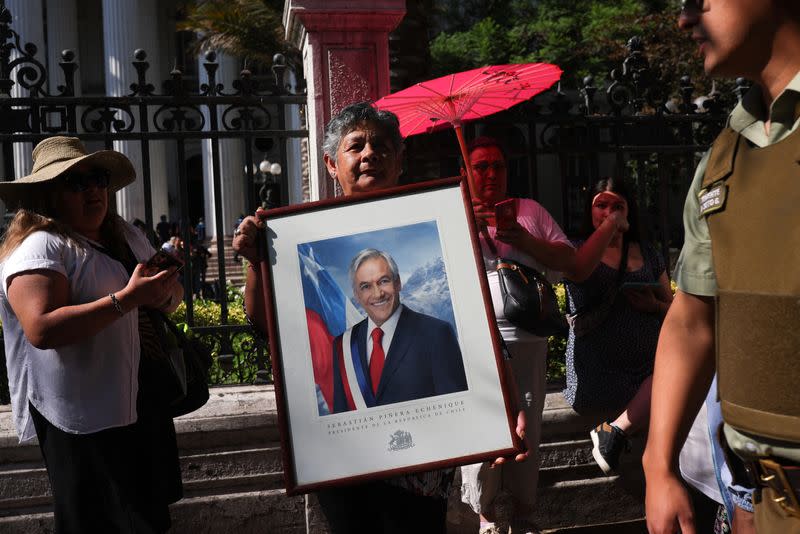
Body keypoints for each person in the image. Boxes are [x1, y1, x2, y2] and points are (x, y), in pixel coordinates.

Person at [234, 103, 526, 534]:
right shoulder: (295, 241)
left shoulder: (445, 228)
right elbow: (267, 324)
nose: (370, 153)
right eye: (357, 146)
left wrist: (508, 406)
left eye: (383, 146)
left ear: (400, 160)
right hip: (344, 465)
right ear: (333, 163)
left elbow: (480, 333)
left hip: (424, 465)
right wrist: (256, 261)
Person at [643, 2, 800, 533]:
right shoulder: (725, 154)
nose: (685, 20)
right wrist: (658, 466)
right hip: (765, 501)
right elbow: (693, 319)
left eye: (697, 1)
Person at [0, 136, 184, 533]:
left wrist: (163, 294)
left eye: (98, 179)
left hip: (139, 402)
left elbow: (168, 300)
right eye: (76, 183)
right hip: (82, 420)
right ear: (49, 195)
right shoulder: (39, 247)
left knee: (149, 518)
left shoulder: (124, 234)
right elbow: (42, 327)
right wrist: (127, 299)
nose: (94, 190)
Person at [458, 138, 629, 534]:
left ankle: (522, 512)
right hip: (477, 345)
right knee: (484, 428)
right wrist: (466, 222)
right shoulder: (454, 211)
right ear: (465, 172)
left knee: (528, 428)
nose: (490, 174)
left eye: (497, 166)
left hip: (528, 341)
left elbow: (571, 264)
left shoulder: (531, 212)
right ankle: (484, 517)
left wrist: (522, 239)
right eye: (480, 166)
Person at [562, 178, 672, 474]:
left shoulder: (647, 253)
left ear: (629, 211)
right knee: (664, 381)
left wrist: (654, 307)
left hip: (646, 369)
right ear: (590, 210)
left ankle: (615, 432)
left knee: (672, 372)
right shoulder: (576, 250)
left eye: (617, 206)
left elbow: (676, 310)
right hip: (598, 371)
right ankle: (617, 431)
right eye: (602, 205)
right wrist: (609, 229)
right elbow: (579, 275)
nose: (609, 212)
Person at [331, 248, 467, 412]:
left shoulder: (436, 334)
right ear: (357, 295)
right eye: (366, 286)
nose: (377, 293)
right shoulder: (343, 345)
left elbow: (458, 411)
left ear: (398, 283)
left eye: (383, 281)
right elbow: (341, 415)